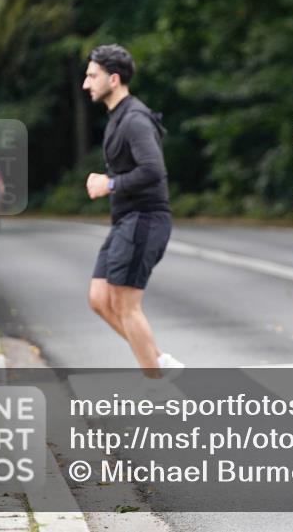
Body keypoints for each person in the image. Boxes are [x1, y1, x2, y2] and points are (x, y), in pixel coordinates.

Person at [82, 44, 183, 377]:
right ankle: (158, 361)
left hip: (145, 219)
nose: (86, 84)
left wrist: (109, 184)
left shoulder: (135, 119)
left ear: (113, 79)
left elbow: (153, 170)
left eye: (92, 76)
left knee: (125, 305)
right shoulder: (118, 117)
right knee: (100, 298)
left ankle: (155, 382)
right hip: (126, 220)